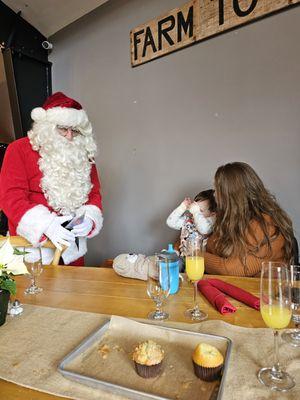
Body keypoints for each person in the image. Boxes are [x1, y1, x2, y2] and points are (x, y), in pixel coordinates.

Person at [0, 92, 103, 265]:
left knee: (75, 291)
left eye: (75, 130)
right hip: (32, 254)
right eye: (63, 129)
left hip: (72, 252)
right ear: (47, 127)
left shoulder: (82, 154)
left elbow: (94, 194)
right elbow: (11, 197)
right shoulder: (18, 149)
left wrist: (89, 219)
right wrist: (46, 224)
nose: (69, 136)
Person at [205, 162, 294, 277]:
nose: (214, 195)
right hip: (238, 288)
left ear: (232, 195)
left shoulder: (266, 225)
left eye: (217, 190)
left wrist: (194, 255)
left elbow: (230, 270)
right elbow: (211, 246)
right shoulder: (232, 220)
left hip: (265, 292)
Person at [166, 189, 217, 257]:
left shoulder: (209, 223)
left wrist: (196, 212)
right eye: (195, 207)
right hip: (183, 256)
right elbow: (170, 222)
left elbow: (204, 230)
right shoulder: (189, 219)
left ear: (212, 214)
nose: (196, 211)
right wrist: (182, 207)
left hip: (198, 260)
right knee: (167, 262)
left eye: (200, 210)